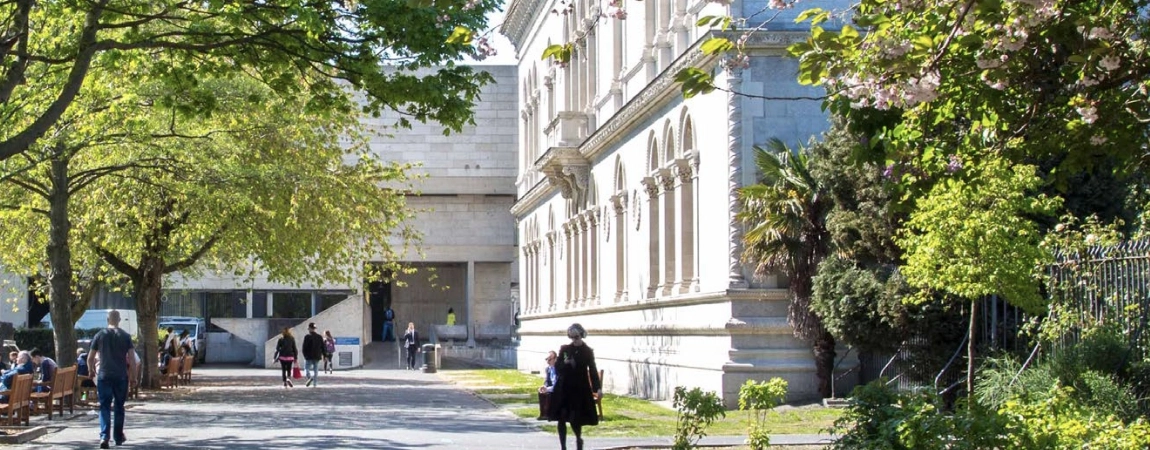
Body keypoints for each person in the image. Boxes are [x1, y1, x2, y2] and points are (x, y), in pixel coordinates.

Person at [88, 309, 137, 449]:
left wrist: (91, 371)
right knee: (119, 407)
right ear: (119, 320)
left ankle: (104, 436)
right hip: (121, 375)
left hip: (104, 375)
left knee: (104, 406)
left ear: (107, 320)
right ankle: (118, 436)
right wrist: (133, 376)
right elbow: (132, 359)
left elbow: (90, 357)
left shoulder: (100, 335)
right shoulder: (126, 336)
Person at [549, 323, 601, 450]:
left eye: (576, 337)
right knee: (561, 417)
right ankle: (563, 446)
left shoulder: (587, 351)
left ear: (581, 335)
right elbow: (558, 367)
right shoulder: (565, 349)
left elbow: (593, 370)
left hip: (579, 388)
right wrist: (566, 363)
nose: (574, 340)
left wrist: (597, 388)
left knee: (575, 418)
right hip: (564, 388)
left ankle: (578, 439)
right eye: (572, 337)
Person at [301, 322, 324, 387]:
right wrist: (324, 355)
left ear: (310, 328)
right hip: (317, 356)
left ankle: (310, 377)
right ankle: (315, 384)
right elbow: (323, 347)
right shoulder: (319, 337)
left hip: (308, 356)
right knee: (315, 370)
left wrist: (305, 355)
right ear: (315, 329)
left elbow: (304, 347)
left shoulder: (307, 337)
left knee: (306, 369)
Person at [537, 350, 558, 420]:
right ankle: (543, 414)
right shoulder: (548, 369)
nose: (548, 361)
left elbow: (558, 383)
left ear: (555, 359)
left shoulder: (559, 369)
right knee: (541, 392)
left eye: (549, 359)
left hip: (559, 389)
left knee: (548, 393)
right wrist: (544, 387)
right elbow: (547, 381)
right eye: (546, 359)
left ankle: (548, 414)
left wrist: (548, 389)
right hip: (552, 388)